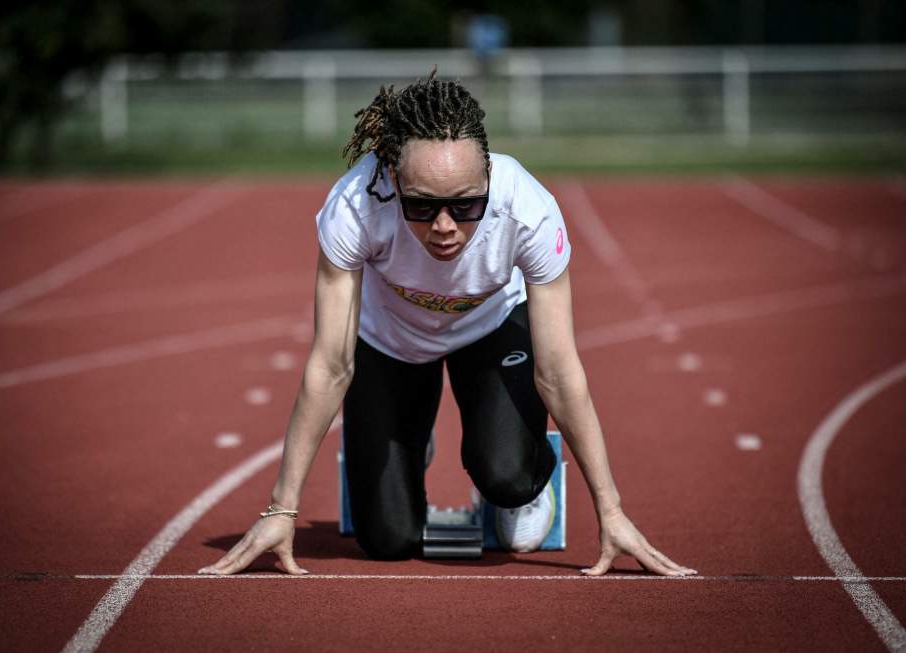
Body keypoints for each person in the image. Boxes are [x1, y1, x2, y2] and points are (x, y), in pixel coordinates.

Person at [198, 71, 696, 577]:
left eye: (466, 205)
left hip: (490, 328)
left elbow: (559, 372)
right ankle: (409, 439)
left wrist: (610, 511)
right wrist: (281, 509)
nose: (444, 227)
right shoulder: (354, 207)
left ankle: (517, 481)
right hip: (389, 339)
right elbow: (330, 364)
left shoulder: (529, 210)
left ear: (489, 181)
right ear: (391, 178)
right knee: (388, 541)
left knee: (507, 475)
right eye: (421, 205)